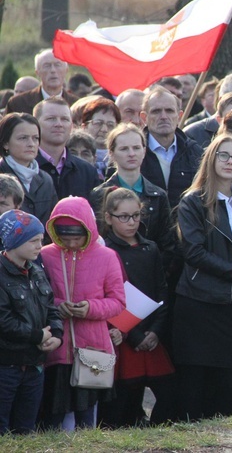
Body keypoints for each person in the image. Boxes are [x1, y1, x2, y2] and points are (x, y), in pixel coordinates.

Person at [172, 135, 232, 420]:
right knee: (195, 380)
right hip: (199, 300)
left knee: (227, 380)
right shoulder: (194, 201)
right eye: (223, 155)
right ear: (211, 159)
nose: (230, 162)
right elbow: (195, 253)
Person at [39, 197, 126, 429]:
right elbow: (39, 297)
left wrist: (90, 308)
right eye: (64, 239)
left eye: (76, 238)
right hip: (57, 349)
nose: (71, 244)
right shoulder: (45, 255)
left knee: (87, 417)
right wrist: (58, 305)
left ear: (88, 231)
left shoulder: (107, 257)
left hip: (92, 351)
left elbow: (118, 302)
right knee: (53, 416)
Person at [96, 188, 175, 427]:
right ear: (108, 218)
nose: (132, 222)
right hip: (124, 334)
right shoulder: (106, 252)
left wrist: (155, 332)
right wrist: (135, 334)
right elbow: (108, 297)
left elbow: (161, 293)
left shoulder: (150, 248)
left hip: (151, 333)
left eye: (136, 215)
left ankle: (152, 431)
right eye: (124, 217)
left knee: (170, 396)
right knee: (123, 401)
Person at [0, 210, 61, 434]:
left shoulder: (36, 271)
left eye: (41, 240)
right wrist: (37, 335)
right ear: (15, 241)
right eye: (34, 241)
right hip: (6, 366)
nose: (40, 246)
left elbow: (51, 308)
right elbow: (3, 321)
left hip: (34, 365)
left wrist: (56, 335)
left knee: (26, 429)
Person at [89, 123, 174, 261]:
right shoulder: (99, 195)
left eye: (136, 148)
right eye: (124, 149)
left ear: (144, 151)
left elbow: (168, 245)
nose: (131, 154)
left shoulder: (158, 196)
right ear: (111, 153)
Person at [139, 87, 203, 208]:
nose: (163, 116)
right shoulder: (132, 151)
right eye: (156, 111)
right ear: (144, 118)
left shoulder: (195, 152)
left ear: (179, 116)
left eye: (169, 111)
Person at [33, 98, 100, 200]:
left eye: (64, 119)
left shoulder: (87, 171)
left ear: (71, 126)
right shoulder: (26, 168)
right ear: (35, 124)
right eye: (51, 118)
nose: (59, 124)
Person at [0, 113, 58, 226]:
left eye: (35, 138)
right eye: (23, 138)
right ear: (5, 143)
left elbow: (52, 222)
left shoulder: (46, 180)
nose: (31, 144)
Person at [6, 50, 79, 114]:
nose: (53, 70)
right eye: (47, 66)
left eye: (57, 65)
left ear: (66, 70)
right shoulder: (18, 103)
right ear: (37, 72)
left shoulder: (77, 104)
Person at [80, 97, 121, 177]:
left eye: (110, 125)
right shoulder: (75, 155)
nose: (104, 129)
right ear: (84, 127)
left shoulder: (122, 158)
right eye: (98, 123)